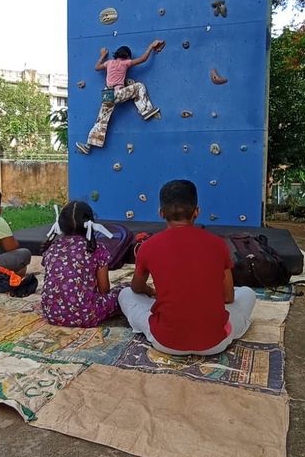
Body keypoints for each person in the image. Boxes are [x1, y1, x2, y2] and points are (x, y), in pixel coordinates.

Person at [118, 180, 256, 355]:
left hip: (166, 342)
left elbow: (136, 288)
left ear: (161, 213)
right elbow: (228, 297)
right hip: (214, 343)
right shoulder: (218, 244)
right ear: (197, 211)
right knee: (248, 294)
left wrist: (152, 292)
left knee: (125, 295)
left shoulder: (147, 246)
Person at [41, 201, 124, 327]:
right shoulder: (97, 249)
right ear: (90, 224)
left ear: (60, 224)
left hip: (52, 314)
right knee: (124, 290)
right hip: (87, 315)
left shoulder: (52, 247)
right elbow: (104, 289)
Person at [76, 40, 165, 154]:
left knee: (101, 120)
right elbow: (143, 59)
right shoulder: (125, 63)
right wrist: (151, 46)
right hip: (118, 93)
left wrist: (102, 55)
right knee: (138, 86)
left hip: (107, 94)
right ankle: (146, 110)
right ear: (127, 56)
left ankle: (88, 146)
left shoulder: (108, 63)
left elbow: (97, 67)